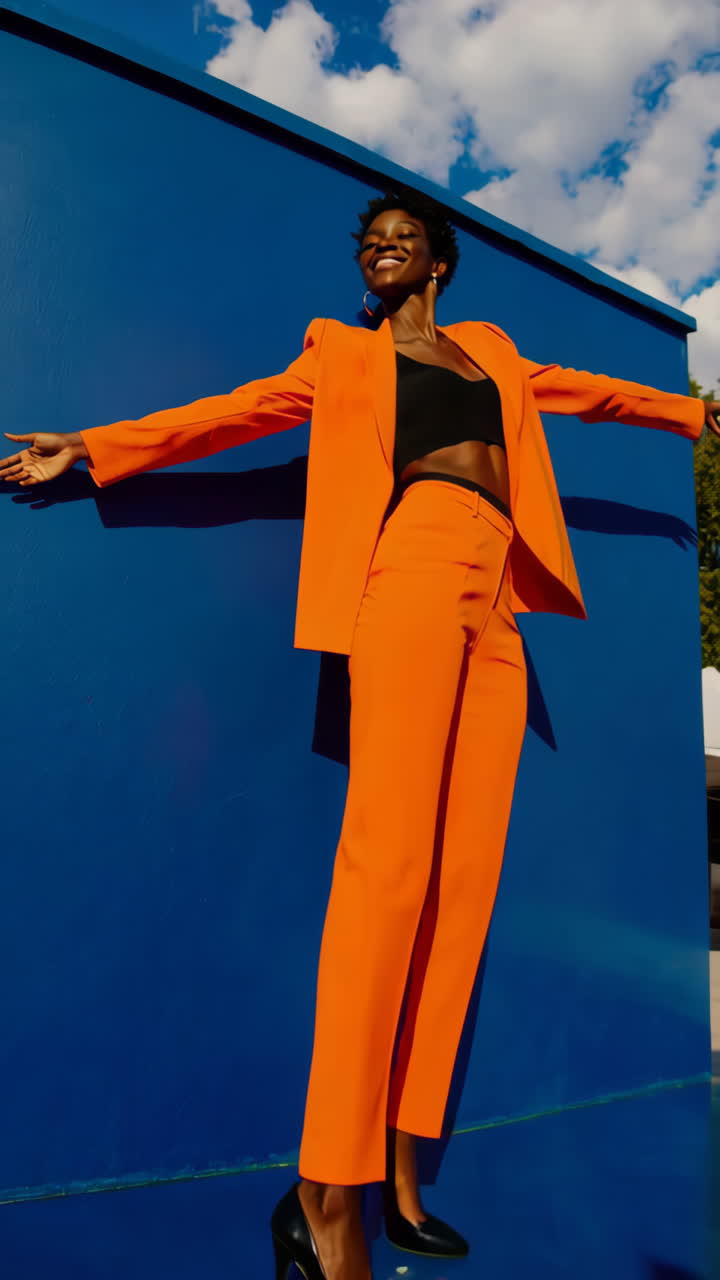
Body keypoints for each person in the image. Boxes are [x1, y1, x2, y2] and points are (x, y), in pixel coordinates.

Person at [2, 187, 718, 1280]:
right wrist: (94, 446)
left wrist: (698, 414)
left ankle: (401, 1167)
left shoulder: (492, 350)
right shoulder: (337, 353)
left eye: (403, 239)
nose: (382, 248)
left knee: (462, 881)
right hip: (412, 573)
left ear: (438, 263)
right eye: (369, 241)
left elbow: (597, 397)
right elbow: (230, 412)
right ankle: (325, 1188)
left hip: (500, 607)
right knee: (387, 869)